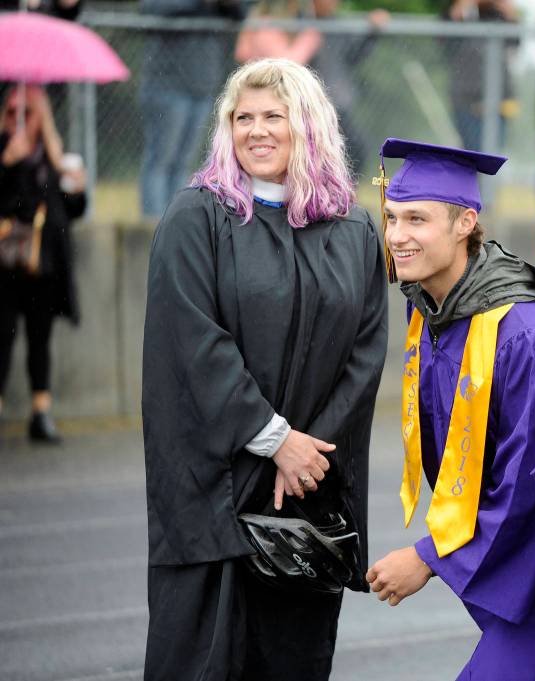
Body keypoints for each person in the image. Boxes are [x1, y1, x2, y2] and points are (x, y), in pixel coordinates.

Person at [141, 58, 387, 681]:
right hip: (217, 491)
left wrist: (310, 456)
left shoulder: (352, 228)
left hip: (305, 496)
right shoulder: (197, 218)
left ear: (308, 125)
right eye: (241, 117)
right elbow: (193, 343)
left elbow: (364, 351)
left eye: (273, 116)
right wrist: (275, 440)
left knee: (292, 661)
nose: (256, 130)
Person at [364, 138, 535, 679]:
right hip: (525, 587)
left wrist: (430, 558)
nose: (398, 235)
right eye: (391, 217)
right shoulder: (436, 318)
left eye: (416, 219)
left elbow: (529, 483)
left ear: (465, 224)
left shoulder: (525, 335)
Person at [0, 85, 86, 443]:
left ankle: (41, 413)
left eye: (28, 112)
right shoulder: (2, 151)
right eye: (11, 112)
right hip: (5, 263)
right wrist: (6, 163)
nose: (19, 119)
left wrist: (78, 190)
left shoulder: (54, 157)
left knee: (40, 336)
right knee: (1, 334)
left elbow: (72, 211)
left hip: (44, 263)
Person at [234, 0, 389, 175]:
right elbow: (287, 62)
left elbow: (352, 55)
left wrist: (371, 33)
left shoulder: (326, 25)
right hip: (300, 101)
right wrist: (309, 38)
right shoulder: (285, 25)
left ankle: (337, 190)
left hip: (330, 100)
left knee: (350, 150)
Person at [138, 0, 246, 221]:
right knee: (161, 160)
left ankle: (175, 221)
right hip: (166, 85)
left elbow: (240, 12)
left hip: (202, 87)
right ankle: (153, 224)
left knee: (183, 162)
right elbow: (152, 7)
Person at [441, 0, 519, 151]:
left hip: (499, 99)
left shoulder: (497, 15)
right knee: (472, 151)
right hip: (467, 99)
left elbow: (515, 43)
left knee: (493, 152)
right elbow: (446, 39)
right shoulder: (461, 15)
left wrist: (509, 13)